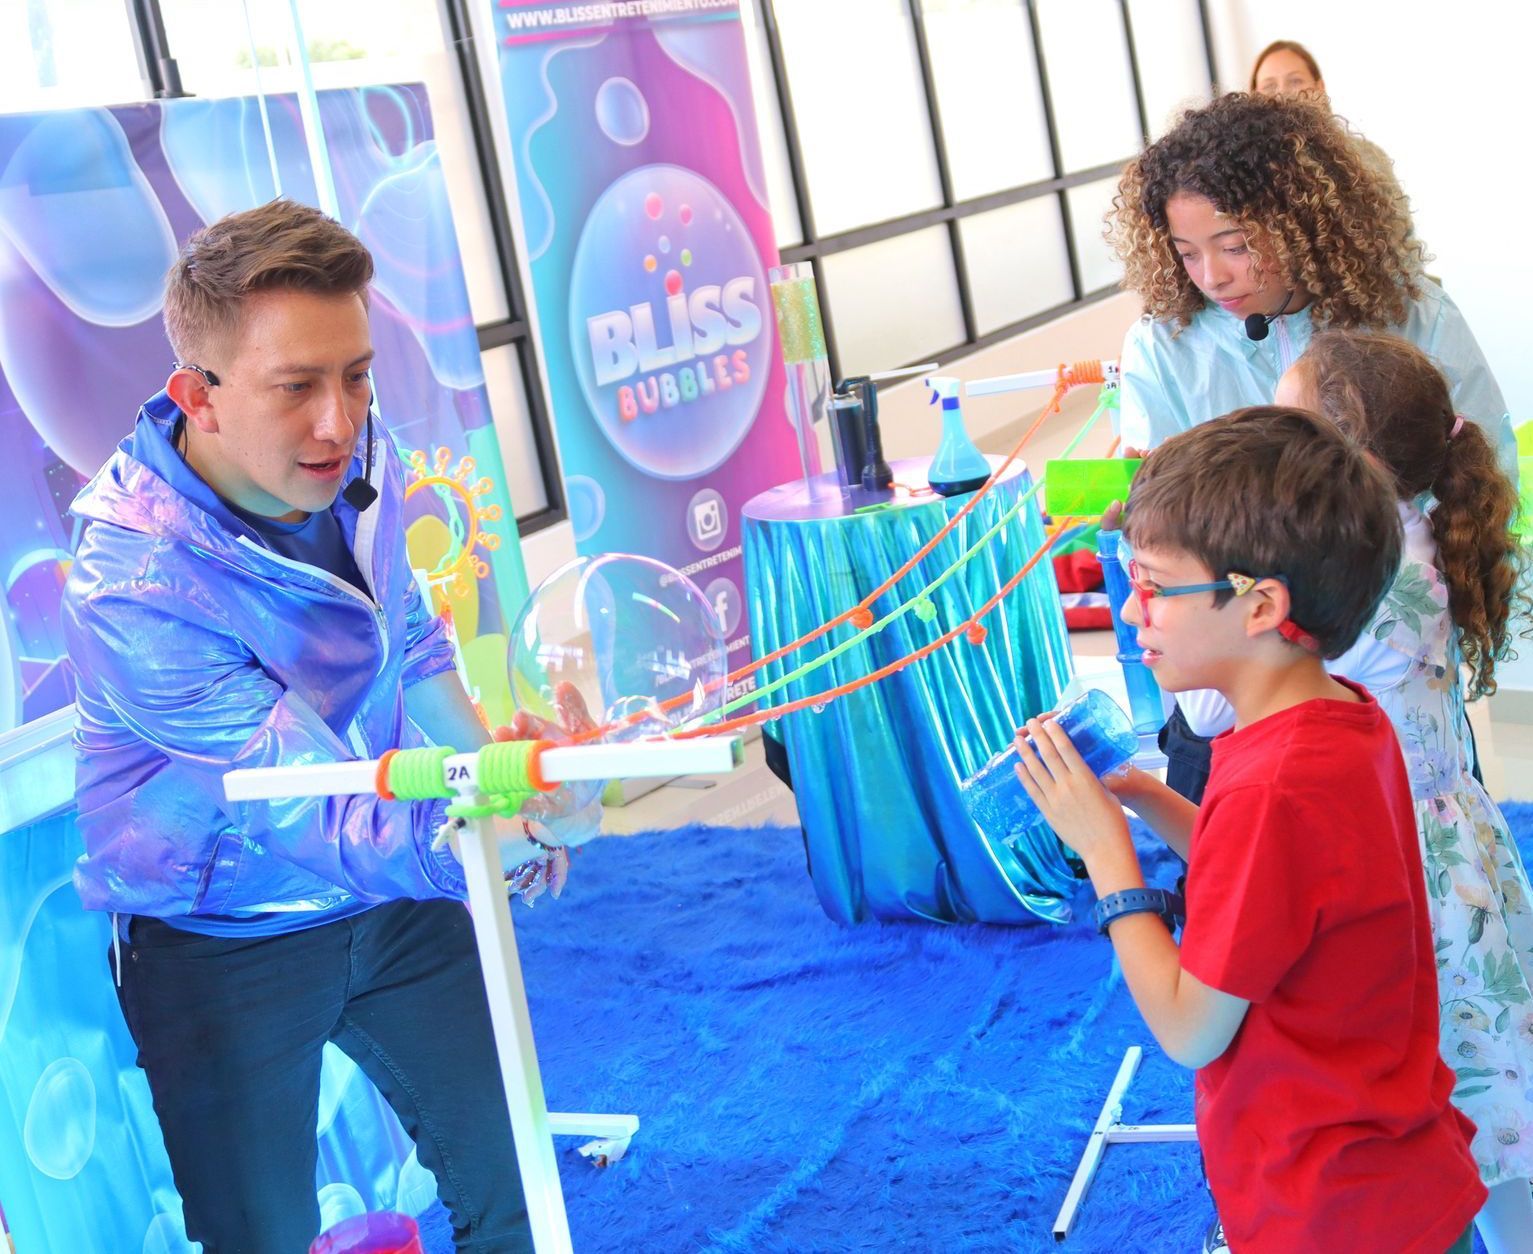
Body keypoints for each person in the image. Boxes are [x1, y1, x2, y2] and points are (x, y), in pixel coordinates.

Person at [62, 199, 571, 1253]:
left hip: (390, 893)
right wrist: (496, 833)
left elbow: (413, 638)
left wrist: (502, 775)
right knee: (262, 1240)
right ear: (195, 397)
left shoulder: (354, 459)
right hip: (220, 940)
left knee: (514, 1182)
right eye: (295, 386)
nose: (338, 420)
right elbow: (307, 806)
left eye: (356, 373)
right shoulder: (133, 582)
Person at [1014, 407, 1485, 1253]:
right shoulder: (1329, 717)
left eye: (1154, 587)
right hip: (1381, 1177)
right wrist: (1134, 794)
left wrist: (1106, 857)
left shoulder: (1275, 780)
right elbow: (1269, 882)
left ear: (1261, 603)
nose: (1131, 613)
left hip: (1332, 1209)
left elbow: (1189, 1029)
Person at [1107, 90, 1515, 802]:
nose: (1211, 277)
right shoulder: (1163, 345)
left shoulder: (1410, 313)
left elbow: (1478, 470)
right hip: (1231, 687)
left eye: (1234, 246)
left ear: (1302, 223)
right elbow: (1153, 523)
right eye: (1186, 252)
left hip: (1381, 687)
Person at [1273, 330, 1533, 1253]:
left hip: (1404, 851)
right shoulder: (1406, 530)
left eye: (1286, 420)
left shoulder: (1376, 579)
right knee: (1479, 1059)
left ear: (1345, 455)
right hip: (1436, 836)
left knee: (1465, 1070)